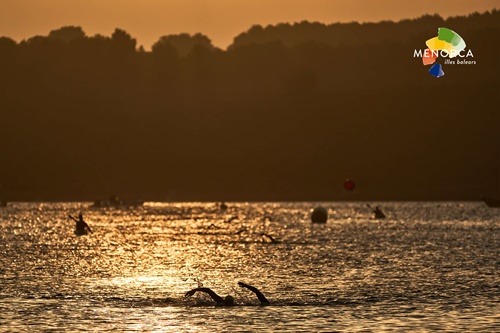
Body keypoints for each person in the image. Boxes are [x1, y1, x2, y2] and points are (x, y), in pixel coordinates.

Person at [185, 282, 270, 306]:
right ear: (225, 301)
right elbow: (208, 290)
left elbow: (257, 292)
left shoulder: (220, 302)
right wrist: (194, 290)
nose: (228, 304)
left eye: (229, 303)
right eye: (227, 303)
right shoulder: (220, 301)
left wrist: (246, 285)